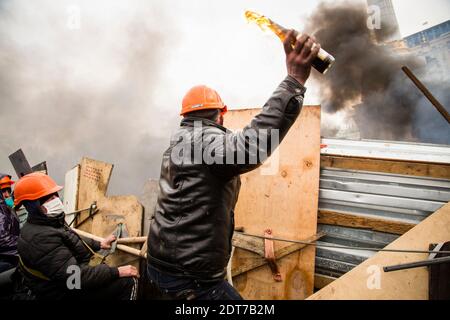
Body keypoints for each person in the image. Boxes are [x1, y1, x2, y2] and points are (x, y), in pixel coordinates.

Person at [147, 31, 320, 300]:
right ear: (221, 114)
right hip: (192, 278)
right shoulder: (203, 141)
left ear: (185, 115)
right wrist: (294, 81)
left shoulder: (179, 141)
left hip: (162, 264)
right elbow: (249, 149)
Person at [14, 172, 139, 300]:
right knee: (128, 282)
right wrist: (116, 272)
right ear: (34, 206)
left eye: (55, 195)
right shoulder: (40, 238)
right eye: (49, 198)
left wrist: (99, 244)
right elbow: (75, 278)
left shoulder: (49, 222)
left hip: (66, 280)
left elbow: (70, 238)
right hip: (62, 291)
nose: (56, 200)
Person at [0, 174, 20, 273]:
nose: (7, 194)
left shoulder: (7, 206)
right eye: (3, 191)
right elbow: (3, 240)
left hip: (12, 253)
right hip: (6, 258)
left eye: (8, 190)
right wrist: (25, 245)